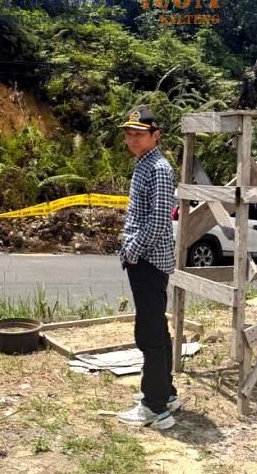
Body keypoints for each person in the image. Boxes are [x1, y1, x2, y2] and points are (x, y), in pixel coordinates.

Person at [115, 107, 179, 429]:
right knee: (156, 331)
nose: (131, 138)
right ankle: (165, 393)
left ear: (156, 135)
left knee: (150, 334)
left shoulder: (158, 168)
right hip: (145, 261)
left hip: (149, 262)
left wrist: (131, 252)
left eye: (139, 133)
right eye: (129, 133)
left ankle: (155, 409)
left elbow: (157, 223)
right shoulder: (145, 165)